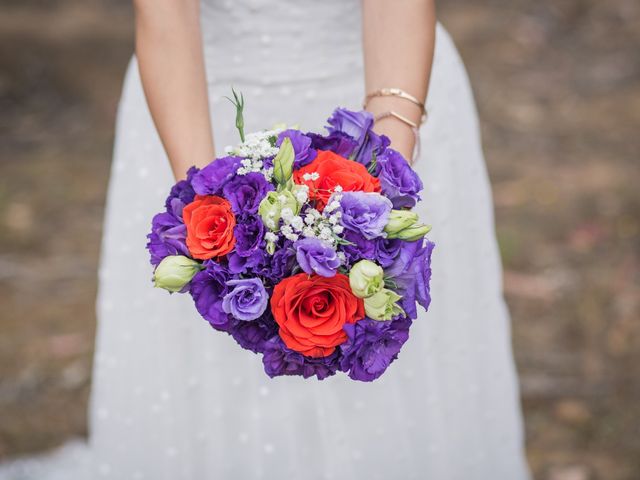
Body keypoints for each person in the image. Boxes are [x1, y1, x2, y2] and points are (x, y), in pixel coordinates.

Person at [0, 0, 530, 478]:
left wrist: (381, 176)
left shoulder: (386, 141)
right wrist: (210, 209)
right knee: (220, 336)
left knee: (389, 317)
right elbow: (164, 16)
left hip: (386, 93)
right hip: (196, 103)